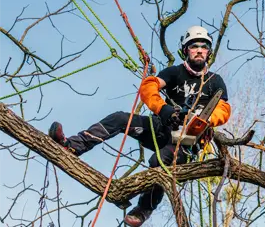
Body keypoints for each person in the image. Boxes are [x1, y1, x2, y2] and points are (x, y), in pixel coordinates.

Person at [48, 26, 231, 227]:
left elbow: (223, 109)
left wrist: (203, 120)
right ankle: (74, 145)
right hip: (161, 128)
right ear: (185, 50)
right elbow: (149, 85)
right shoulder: (174, 72)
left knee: (159, 161)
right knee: (119, 118)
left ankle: (144, 208)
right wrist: (162, 109)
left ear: (209, 52)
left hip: (187, 142)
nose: (199, 50)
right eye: (193, 46)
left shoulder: (215, 81)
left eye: (203, 47)